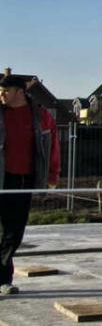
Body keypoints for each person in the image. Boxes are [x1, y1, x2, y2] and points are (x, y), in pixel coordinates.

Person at [0, 75, 61, 295]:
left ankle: (3, 278)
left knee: (13, 232)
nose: (1, 95)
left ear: (19, 91)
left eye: (5, 91)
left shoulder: (40, 116)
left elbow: (51, 146)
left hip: (22, 180)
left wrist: (52, 176)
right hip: (1, 177)